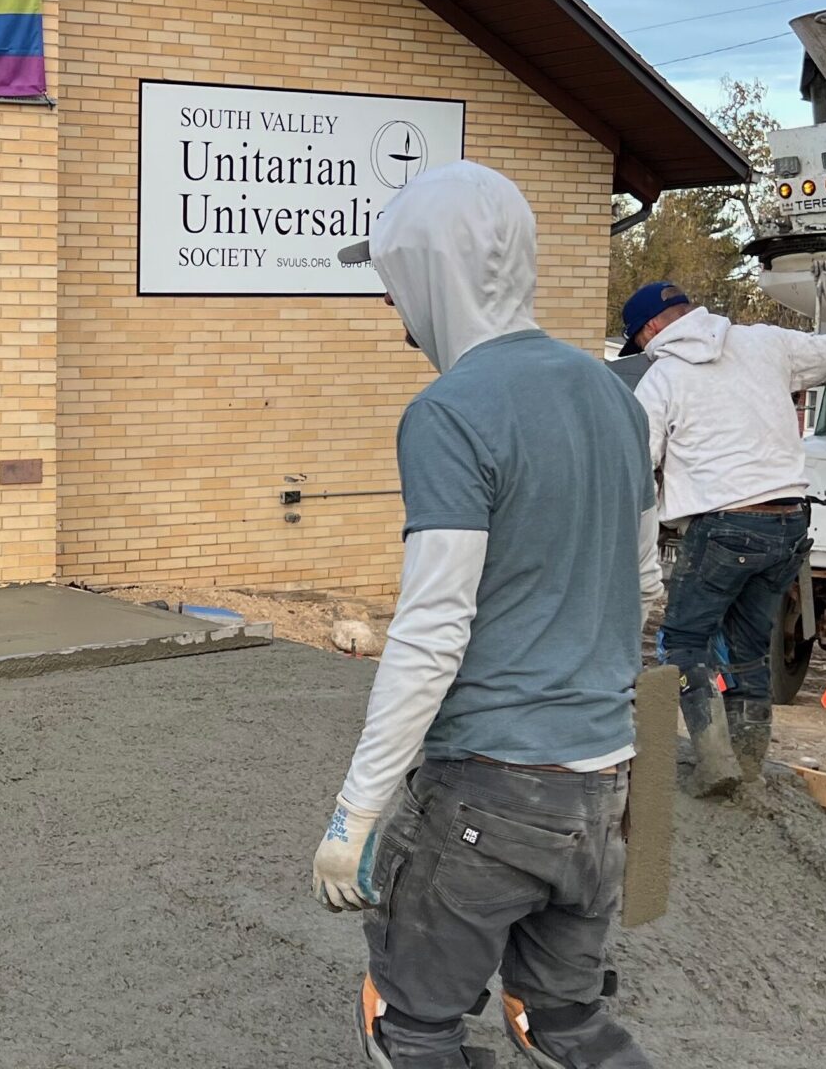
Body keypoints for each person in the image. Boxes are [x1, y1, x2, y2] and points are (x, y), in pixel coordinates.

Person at [315, 163, 663, 1069]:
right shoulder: (616, 399)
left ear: (430, 273)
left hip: (489, 789)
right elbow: (645, 583)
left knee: (413, 1028)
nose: (392, 310)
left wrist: (356, 813)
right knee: (568, 1024)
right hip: (603, 786)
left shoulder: (450, 411)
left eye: (394, 282)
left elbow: (433, 630)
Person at [623, 281, 826, 798]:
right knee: (749, 647)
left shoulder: (663, 377)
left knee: (682, 642)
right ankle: (749, 764)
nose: (643, 350)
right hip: (789, 522)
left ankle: (714, 760)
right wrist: (784, 374)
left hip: (725, 525)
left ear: (651, 328)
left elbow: (638, 461)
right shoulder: (764, 342)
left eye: (638, 341)